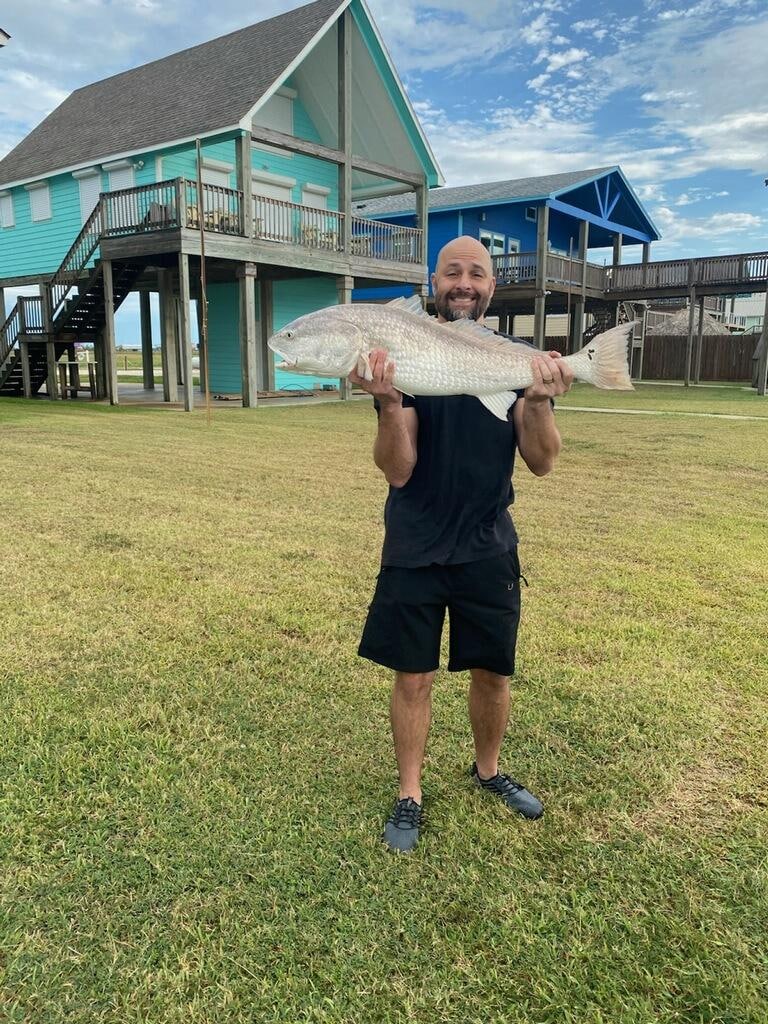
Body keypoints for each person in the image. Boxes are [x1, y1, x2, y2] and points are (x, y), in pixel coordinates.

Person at [350, 235, 574, 853]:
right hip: (415, 543)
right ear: (435, 282)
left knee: (493, 673)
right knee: (412, 676)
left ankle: (489, 771)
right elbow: (398, 469)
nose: (465, 283)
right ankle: (410, 793)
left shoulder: (511, 360)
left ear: (492, 286)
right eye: (453, 273)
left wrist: (540, 401)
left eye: (477, 273)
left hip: (487, 544)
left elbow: (543, 463)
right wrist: (391, 403)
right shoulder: (403, 355)